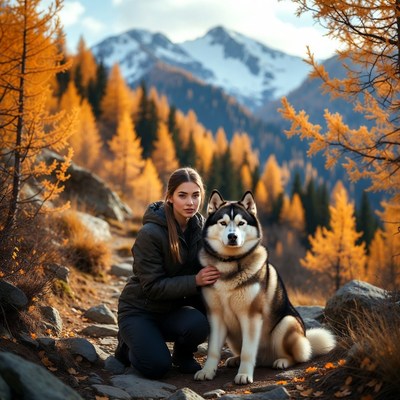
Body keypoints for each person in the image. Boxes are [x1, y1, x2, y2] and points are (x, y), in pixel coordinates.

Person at [115, 167, 220, 379]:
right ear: (170, 197)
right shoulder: (150, 234)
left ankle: (182, 356)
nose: (190, 202)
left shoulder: (200, 229)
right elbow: (152, 287)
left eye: (195, 195)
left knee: (203, 321)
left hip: (171, 310)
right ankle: (127, 346)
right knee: (156, 366)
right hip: (139, 310)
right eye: (182, 195)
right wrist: (195, 280)